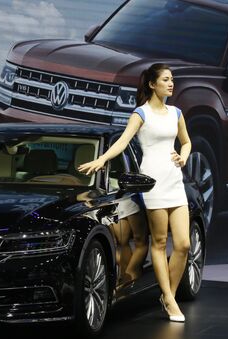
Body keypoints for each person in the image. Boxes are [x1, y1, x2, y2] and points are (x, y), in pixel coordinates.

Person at [78, 63, 191, 322]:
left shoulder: (176, 113)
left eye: (172, 79)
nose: (171, 83)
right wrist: (102, 159)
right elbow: (122, 141)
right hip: (153, 183)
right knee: (160, 243)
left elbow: (186, 142)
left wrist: (183, 157)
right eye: (166, 79)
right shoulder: (140, 114)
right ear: (152, 84)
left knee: (183, 244)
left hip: (175, 181)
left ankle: (168, 296)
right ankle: (170, 301)